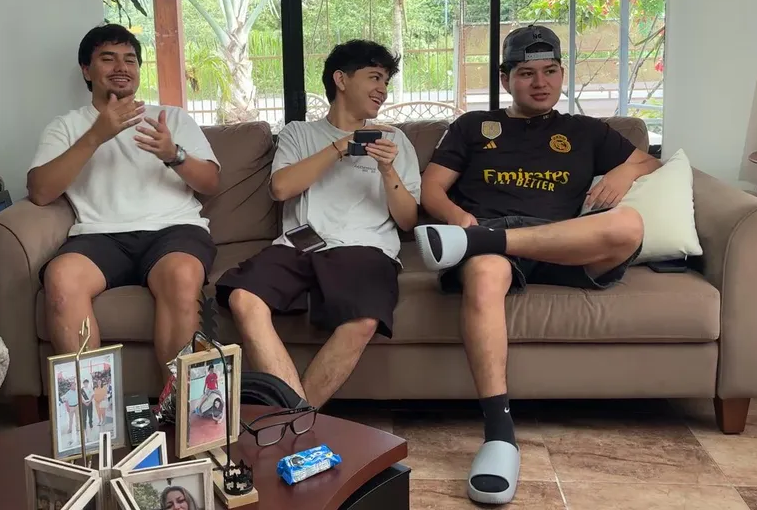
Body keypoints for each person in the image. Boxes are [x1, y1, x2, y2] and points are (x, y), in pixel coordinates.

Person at [412, 25, 660, 505]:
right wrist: (460, 220)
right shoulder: (473, 126)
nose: (540, 83)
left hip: (561, 243)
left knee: (628, 224)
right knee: (485, 271)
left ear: (562, 74)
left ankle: (481, 242)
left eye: (550, 71)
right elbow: (431, 189)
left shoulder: (587, 131)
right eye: (527, 73)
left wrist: (626, 171)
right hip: (491, 241)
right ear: (506, 79)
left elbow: (650, 162)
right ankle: (499, 435)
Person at [217, 40, 420, 408]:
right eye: (374, 77)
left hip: (365, 246)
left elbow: (407, 220)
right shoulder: (299, 133)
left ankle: (292, 421)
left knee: (363, 319)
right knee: (243, 298)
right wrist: (341, 147)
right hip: (300, 244)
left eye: (386, 81)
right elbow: (281, 189)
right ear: (341, 79)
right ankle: (298, 421)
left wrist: (387, 169)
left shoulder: (395, 140)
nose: (383, 90)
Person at [30, 24, 221, 374]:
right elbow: (41, 192)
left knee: (182, 276)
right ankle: (90, 406)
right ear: (86, 70)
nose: (122, 67)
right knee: (61, 278)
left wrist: (174, 154)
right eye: (108, 58)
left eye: (130, 60)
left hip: (174, 231)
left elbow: (210, 182)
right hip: (99, 236)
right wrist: (95, 136)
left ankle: (179, 402)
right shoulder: (67, 126)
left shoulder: (171, 118)